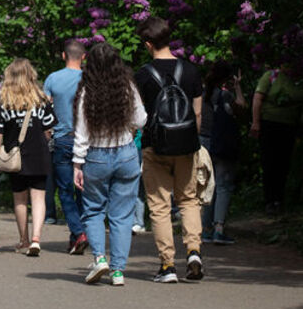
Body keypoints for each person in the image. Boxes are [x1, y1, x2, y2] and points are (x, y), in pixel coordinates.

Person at [134, 17, 205, 283]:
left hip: (156, 146)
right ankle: (194, 251)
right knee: (188, 200)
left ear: (149, 44)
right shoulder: (191, 71)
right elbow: (197, 114)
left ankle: (167, 266)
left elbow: (140, 114)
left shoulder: (142, 74)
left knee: (160, 207)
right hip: (187, 145)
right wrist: (191, 140)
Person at [72, 42, 148, 286]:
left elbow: (82, 132)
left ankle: (99, 258)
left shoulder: (86, 92)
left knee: (93, 209)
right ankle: (118, 271)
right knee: (122, 216)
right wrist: (127, 129)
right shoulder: (127, 87)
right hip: (126, 154)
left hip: (96, 156)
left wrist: (77, 164)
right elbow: (142, 119)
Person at [0, 58, 57, 257]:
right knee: (38, 197)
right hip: (39, 153)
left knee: (19, 198)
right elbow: (48, 128)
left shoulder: (4, 100)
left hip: (14, 155)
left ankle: (24, 240)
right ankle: (36, 239)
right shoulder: (41, 99)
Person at [43, 39, 90, 254]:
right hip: (86, 140)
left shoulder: (53, 78)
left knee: (64, 191)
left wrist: (47, 135)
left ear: (63, 55)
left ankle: (78, 233)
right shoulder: (89, 79)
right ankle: (78, 235)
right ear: (84, 56)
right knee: (82, 190)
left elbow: (45, 109)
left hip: (61, 139)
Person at [200, 61, 246, 245]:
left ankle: (205, 229)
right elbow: (241, 107)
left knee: (206, 187)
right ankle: (219, 228)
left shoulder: (201, 94)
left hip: (202, 142)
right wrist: (238, 86)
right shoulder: (225, 95)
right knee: (223, 185)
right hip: (221, 144)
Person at [250, 63, 303, 214]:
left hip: (289, 126)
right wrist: (256, 123)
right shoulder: (271, 76)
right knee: (270, 162)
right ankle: (269, 200)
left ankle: (279, 199)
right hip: (270, 124)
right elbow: (257, 99)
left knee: (284, 162)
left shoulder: (298, 79)